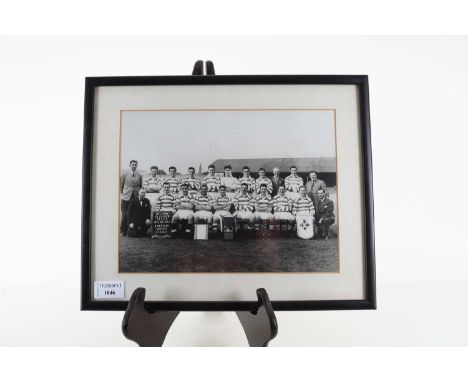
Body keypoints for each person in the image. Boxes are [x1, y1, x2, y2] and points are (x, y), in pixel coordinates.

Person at [120, 160, 143, 236]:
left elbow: (140, 186)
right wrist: (124, 193)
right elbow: (121, 186)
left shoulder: (139, 175)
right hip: (126, 196)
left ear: (137, 166)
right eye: (132, 165)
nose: (134, 166)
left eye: (135, 165)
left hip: (135, 196)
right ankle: (123, 230)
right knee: (124, 214)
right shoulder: (125, 174)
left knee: (134, 214)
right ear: (129, 165)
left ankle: (133, 230)